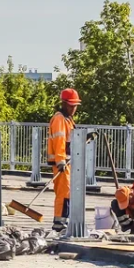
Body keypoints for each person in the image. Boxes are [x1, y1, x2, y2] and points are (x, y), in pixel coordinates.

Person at [47, 88, 81, 231]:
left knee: (68, 192)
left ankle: (64, 221)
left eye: (75, 106)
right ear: (64, 104)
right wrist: (60, 161)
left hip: (67, 162)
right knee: (64, 193)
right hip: (61, 163)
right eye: (71, 105)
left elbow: (69, 141)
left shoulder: (68, 120)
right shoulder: (60, 119)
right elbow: (59, 141)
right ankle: (59, 223)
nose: (74, 108)